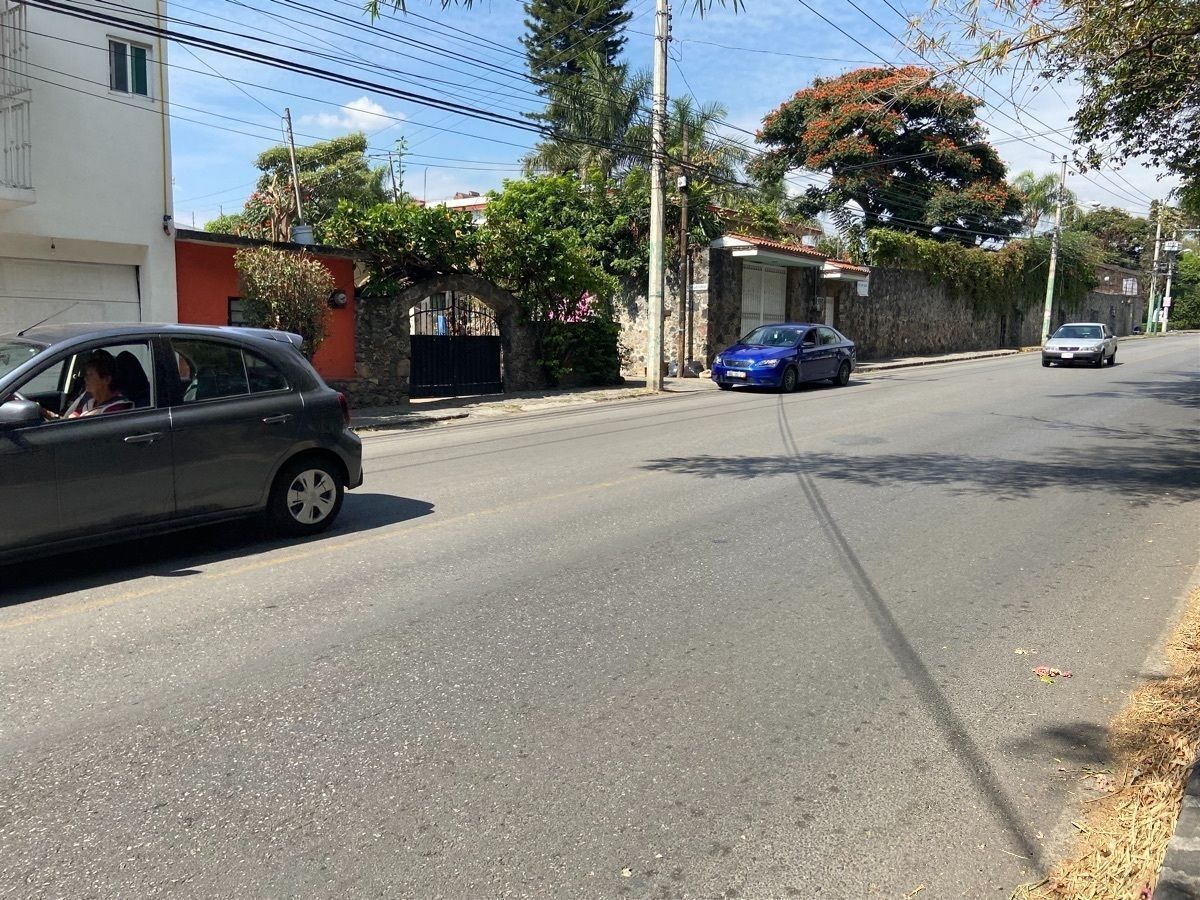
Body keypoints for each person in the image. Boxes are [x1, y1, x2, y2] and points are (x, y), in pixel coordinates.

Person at [44, 350, 135, 420]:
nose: (85, 379)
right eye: (86, 375)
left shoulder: (116, 409)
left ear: (106, 380)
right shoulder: (90, 400)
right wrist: (44, 412)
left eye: (90, 375)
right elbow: (69, 420)